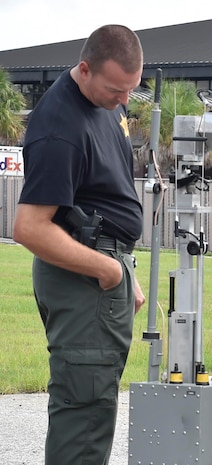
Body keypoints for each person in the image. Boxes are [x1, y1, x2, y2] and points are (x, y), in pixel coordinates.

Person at [12, 25, 146, 465]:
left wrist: (126, 269)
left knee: (95, 405)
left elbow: (106, 197)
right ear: (84, 70)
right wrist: (107, 270)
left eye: (131, 89)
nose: (124, 100)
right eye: (115, 89)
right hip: (85, 281)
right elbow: (30, 227)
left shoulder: (105, 103)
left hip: (105, 272)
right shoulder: (59, 127)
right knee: (83, 417)